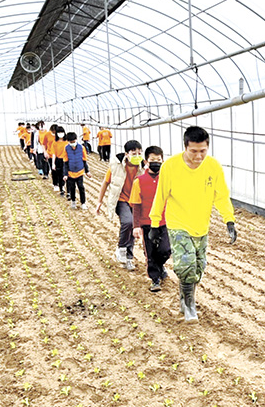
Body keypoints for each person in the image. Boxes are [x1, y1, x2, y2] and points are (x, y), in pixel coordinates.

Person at [148, 126, 237, 321]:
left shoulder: (213, 166)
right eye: (194, 151)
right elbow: (160, 196)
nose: (198, 156)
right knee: (186, 264)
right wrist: (155, 224)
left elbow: (221, 196)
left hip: (201, 225)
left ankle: (184, 297)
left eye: (203, 151)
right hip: (177, 222)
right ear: (185, 147)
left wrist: (229, 219)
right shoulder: (170, 166)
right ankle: (189, 306)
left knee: (198, 267)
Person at [96, 140, 144, 271]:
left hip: (135, 202)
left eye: (139, 153)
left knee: (133, 229)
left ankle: (129, 258)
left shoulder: (142, 167)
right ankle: (121, 249)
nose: (137, 156)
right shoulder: (116, 166)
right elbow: (105, 183)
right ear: (126, 154)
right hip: (121, 200)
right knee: (128, 222)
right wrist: (99, 202)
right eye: (134, 153)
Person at [129, 146, 171, 292]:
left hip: (165, 222)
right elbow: (136, 205)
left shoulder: (167, 180)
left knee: (166, 249)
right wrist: (136, 226)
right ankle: (155, 279)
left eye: (159, 160)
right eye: (153, 160)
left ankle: (160, 266)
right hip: (146, 223)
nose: (156, 163)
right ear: (146, 161)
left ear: (163, 161)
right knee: (150, 252)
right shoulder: (139, 181)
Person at [62, 132, 91, 210]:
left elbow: (84, 160)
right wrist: (65, 174)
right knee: (72, 188)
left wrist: (87, 171)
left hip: (79, 171)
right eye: (70, 142)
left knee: (81, 187)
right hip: (71, 172)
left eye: (73, 142)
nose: (72, 143)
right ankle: (73, 202)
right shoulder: (66, 148)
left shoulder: (81, 147)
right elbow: (65, 162)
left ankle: (83, 203)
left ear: (76, 140)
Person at [50, 126, 69, 198]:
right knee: (60, 175)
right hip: (59, 160)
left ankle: (68, 190)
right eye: (59, 132)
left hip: (66, 160)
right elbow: (54, 153)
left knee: (66, 175)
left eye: (62, 132)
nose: (60, 134)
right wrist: (53, 163)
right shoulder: (55, 143)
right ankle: (62, 189)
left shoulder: (67, 142)